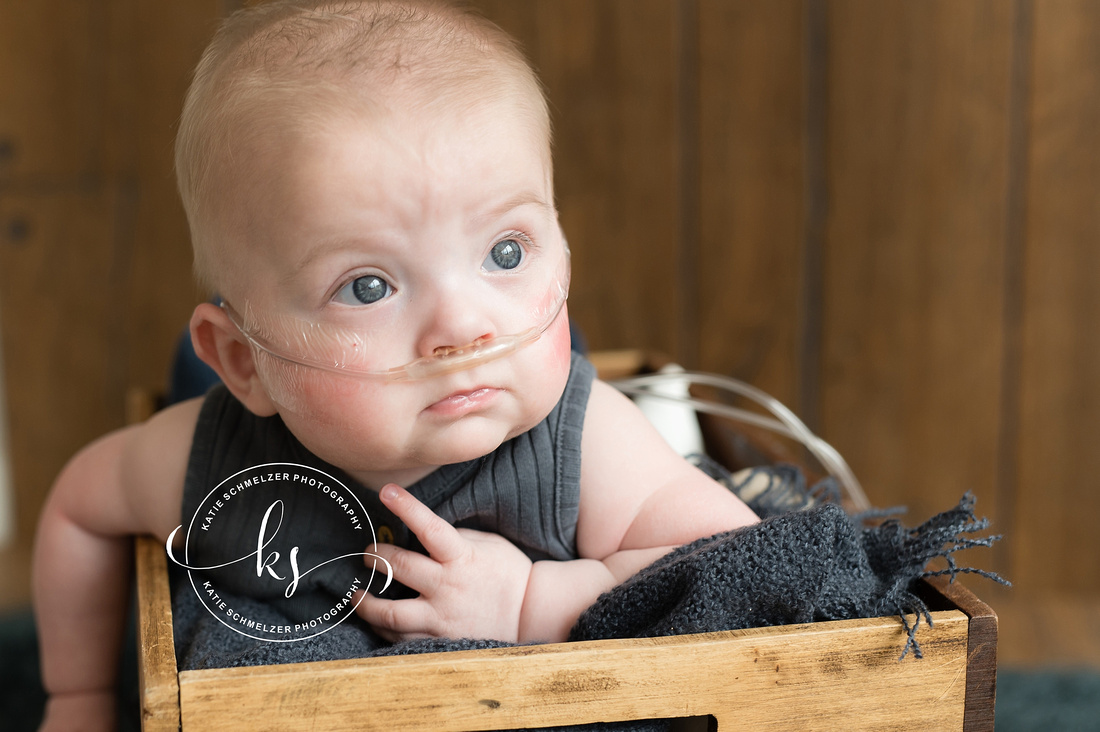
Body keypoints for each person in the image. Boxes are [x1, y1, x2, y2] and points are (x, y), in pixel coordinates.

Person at [32, 1, 759, 729]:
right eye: (367, 287)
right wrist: (79, 698)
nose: (465, 328)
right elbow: (78, 509)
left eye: (506, 252)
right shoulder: (221, 464)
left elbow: (733, 561)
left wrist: (536, 601)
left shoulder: (585, 444)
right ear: (243, 362)